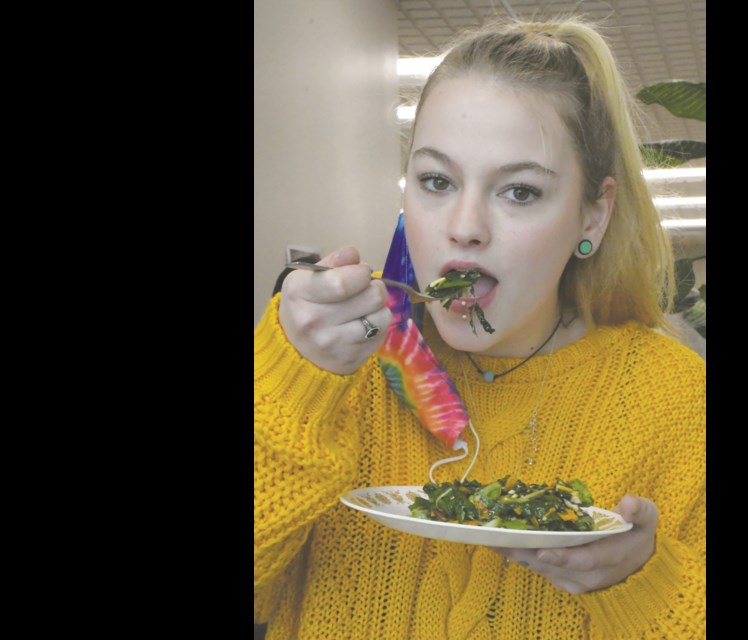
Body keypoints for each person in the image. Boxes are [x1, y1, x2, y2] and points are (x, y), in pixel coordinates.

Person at [255, 17, 705, 639]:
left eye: (519, 192)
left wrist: (641, 577)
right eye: (436, 181)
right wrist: (291, 388)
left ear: (593, 216)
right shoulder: (337, 372)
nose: (464, 227)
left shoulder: (679, 401)